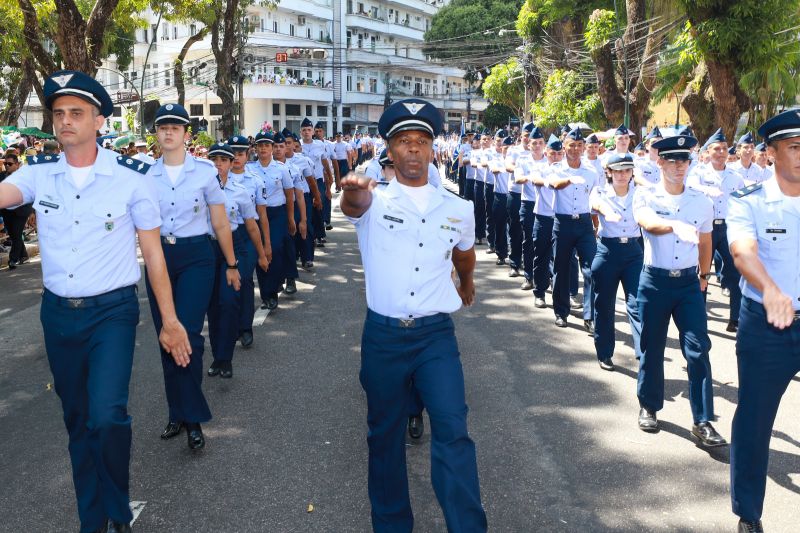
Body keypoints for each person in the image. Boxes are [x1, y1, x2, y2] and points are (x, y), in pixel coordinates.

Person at [0, 70, 191, 533]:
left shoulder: (132, 178)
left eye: (76, 113)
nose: (65, 121)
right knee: (78, 420)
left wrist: (170, 321)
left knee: (107, 415)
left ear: (100, 121)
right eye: (59, 113)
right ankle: (93, 519)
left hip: (113, 312)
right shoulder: (39, 174)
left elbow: (153, 256)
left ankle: (116, 504)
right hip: (58, 315)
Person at [340, 98, 487, 532]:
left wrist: (468, 284)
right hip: (383, 337)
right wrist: (351, 188)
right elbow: (352, 208)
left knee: (452, 428)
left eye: (421, 141)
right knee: (383, 436)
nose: (413, 149)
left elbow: (464, 253)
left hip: (434, 337)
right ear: (390, 150)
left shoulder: (458, 207)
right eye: (404, 141)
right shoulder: (374, 201)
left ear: (431, 150)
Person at [147, 104, 239, 445]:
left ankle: (194, 419)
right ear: (156, 134)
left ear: (187, 134)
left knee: (186, 333)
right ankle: (178, 413)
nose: (169, 132)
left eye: (176, 127)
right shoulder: (145, 173)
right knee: (165, 337)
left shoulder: (203, 172)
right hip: (159, 258)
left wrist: (231, 264)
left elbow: (219, 222)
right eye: (163, 127)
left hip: (197, 257)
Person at [728, 109, 800, 533]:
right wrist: (771, 290)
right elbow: (742, 252)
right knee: (755, 418)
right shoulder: (750, 200)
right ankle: (748, 513)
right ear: (771, 153)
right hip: (766, 323)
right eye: (794, 148)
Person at [632, 133, 726, 447]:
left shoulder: (701, 200)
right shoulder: (646, 196)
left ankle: (702, 420)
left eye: (683, 160)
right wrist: (672, 225)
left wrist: (704, 275)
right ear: (660, 161)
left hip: (688, 284)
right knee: (652, 346)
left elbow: (706, 240)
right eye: (671, 160)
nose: (678, 167)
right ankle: (649, 404)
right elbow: (646, 222)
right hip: (655, 281)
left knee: (698, 349)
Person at [206, 143, 269, 380]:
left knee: (229, 300)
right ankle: (217, 358)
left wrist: (262, 254)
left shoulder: (240, 190)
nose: (218, 165)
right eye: (215, 160)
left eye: (223, 160)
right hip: (210, 247)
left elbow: (251, 225)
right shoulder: (200, 190)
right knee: (213, 305)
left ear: (232, 163)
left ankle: (226, 358)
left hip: (235, 246)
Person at [687, 128, 745, 332]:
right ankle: (699, 316)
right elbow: (691, 187)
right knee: (702, 272)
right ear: (708, 152)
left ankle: (736, 317)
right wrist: (707, 189)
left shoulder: (735, 176)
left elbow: (742, 200)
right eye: (717, 149)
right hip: (705, 228)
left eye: (724, 149)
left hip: (728, 227)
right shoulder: (699, 172)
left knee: (735, 272)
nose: (721, 152)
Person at [589, 153, 643, 371]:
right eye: (617, 171)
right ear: (609, 173)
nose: (622, 175)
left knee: (638, 304)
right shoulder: (600, 191)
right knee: (604, 305)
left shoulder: (641, 194)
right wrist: (606, 211)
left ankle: (643, 353)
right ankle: (604, 353)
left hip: (633, 251)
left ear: (632, 173)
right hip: (608, 251)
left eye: (627, 171)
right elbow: (595, 203)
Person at [546, 127, 598, 330]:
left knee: (592, 269)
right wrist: (569, 179)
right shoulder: (556, 168)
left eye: (579, 145)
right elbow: (553, 184)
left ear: (584, 147)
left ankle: (590, 315)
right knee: (561, 268)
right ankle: (561, 312)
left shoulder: (592, 172)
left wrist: (597, 225)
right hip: (563, 222)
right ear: (564, 146)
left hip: (584, 223)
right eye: (571, 145)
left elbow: (596, 197)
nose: (575, 149)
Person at [228, 135, 270, 347]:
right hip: (224, 234)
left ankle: (245, 327)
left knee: (244, 279)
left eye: (241, 153)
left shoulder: (255, 180)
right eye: (233, 153)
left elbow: (261, 216)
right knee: (225, 284)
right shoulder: (215, 179)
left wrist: (265, 247)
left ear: (247, 155)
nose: (236, 157)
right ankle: (229, 326)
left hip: (247, 234)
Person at [246, 131, 296, 310]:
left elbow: (289, 195)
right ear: (256, 148)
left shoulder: (281, 168)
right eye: (260, 146)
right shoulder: (250, 169)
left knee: (273, 248)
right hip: (257, 215)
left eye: (267, 145)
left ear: (272, 148)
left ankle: (273, 290)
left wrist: (290, 218)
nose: (264, 149)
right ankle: (266, 294)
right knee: (260, 251)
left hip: (277, 214)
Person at [0, 153, 31, 269]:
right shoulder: (1, 176)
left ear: (17, 164)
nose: (7, 166)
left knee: (17, 234)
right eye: (5, 163)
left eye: (10, 164)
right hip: (7, 211)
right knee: (13, 235)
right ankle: (24, 255)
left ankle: (13, 259)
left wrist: (33, 211)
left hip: (21, 211)